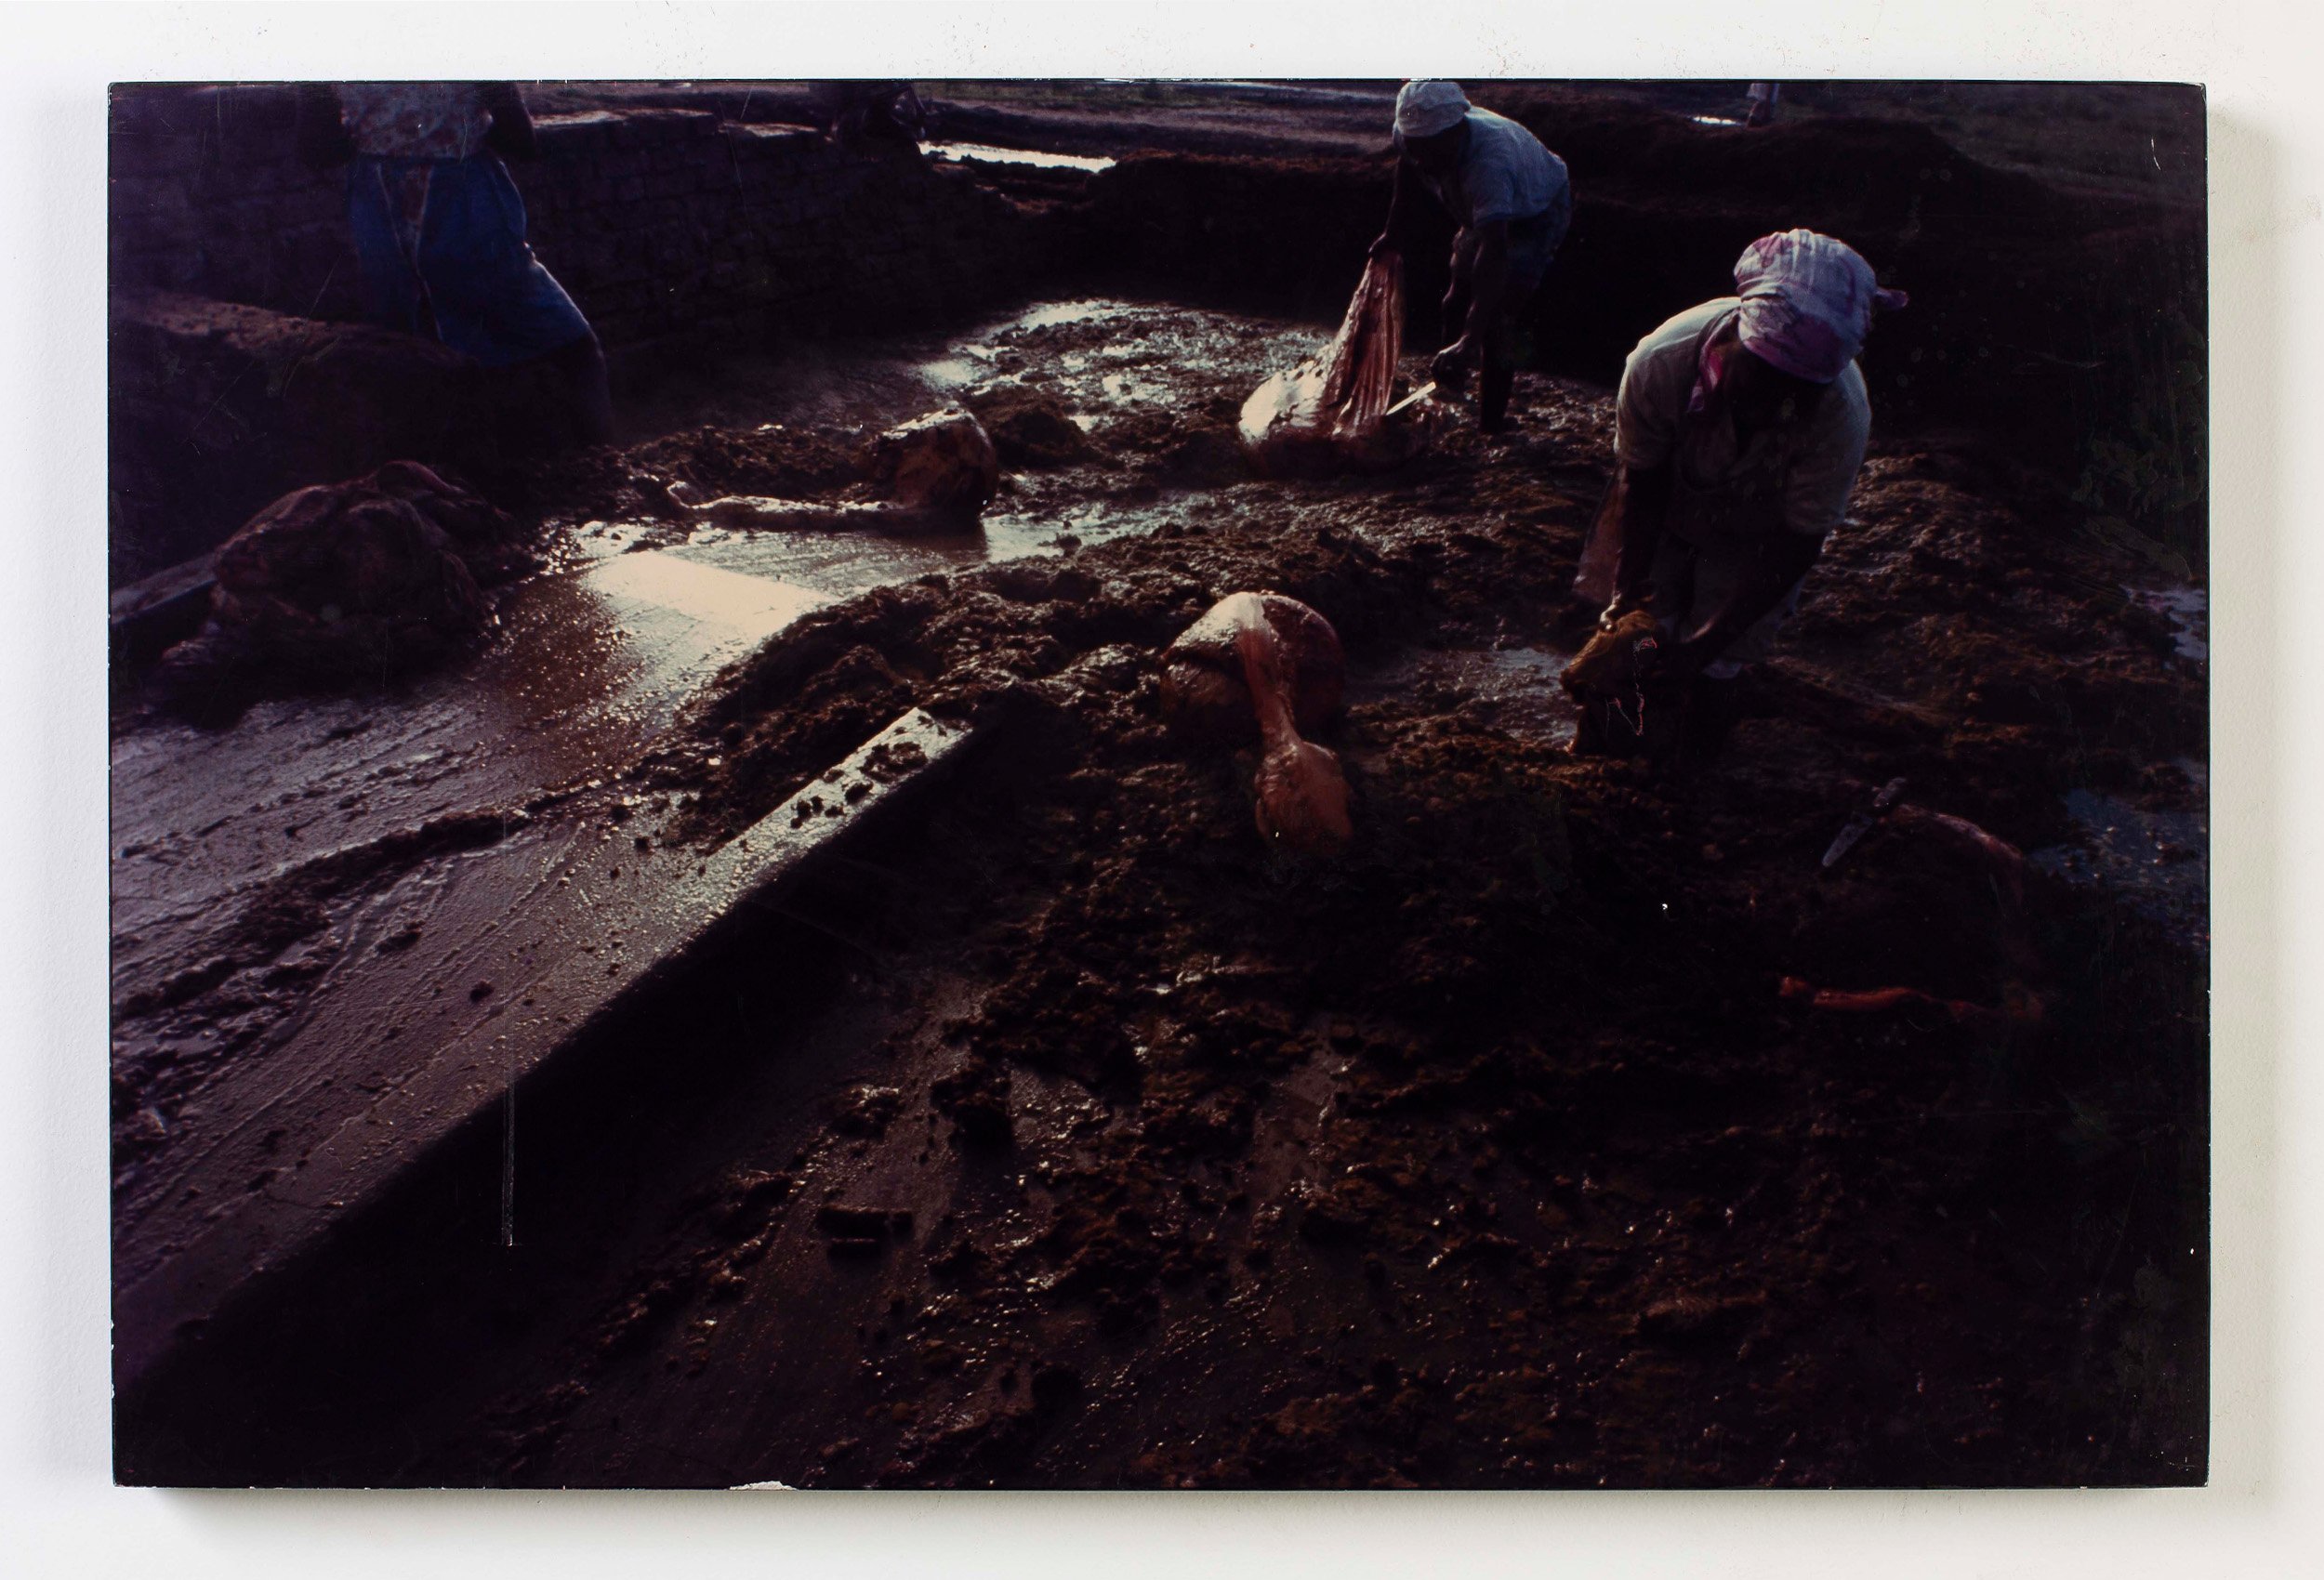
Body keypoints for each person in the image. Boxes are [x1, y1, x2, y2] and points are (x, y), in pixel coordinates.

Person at [1572, 229, 1906, 756]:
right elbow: (1644, 480)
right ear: (1733, 344)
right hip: (1671, 497)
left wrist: (1705, 647)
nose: (1775, 407)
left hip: (1760, 529)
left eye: (1797, 396)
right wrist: (1628, 592)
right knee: (1633, 639)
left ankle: (1696, 766)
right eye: (1762, 382)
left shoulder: (1841, 415)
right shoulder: (1661, 363)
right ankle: (1604, 754)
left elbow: (1797, 540)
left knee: (1720, 666)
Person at [297, 81, 614, 446]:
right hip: (464, 208)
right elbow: (521, 141)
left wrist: (384, 139)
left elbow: (315, 149)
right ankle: (610, 473)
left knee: (417, 348)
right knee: (576, 350)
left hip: (380, 219)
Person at [1369, 80, 1572, 434]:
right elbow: (1407, 170)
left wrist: (1471, 337)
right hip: (1478, 208)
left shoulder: (1490, 164)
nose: (1420, 158)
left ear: (1455, 132)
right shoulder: (1413, 136)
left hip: (1534, 213)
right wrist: (1393, 234)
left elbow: (1494, 250)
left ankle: (1492, 422)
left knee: (1500, 322)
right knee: (1454, 302)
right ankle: (1452, 379)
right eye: (1414, 146)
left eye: (1428, 148)